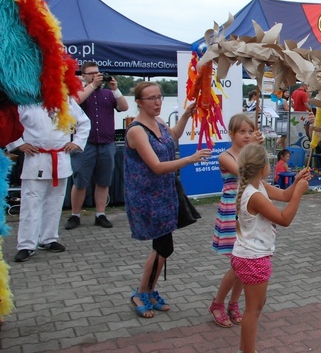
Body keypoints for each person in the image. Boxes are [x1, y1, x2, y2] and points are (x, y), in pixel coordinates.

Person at [124, 82, 212, 318]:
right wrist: (191, 159)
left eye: (159, 97)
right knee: (164, 246)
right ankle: (141, 292)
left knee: (163, 247)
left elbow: (171, 137)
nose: (157, 102)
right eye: (151, 98)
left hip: (165, 193)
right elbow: (157, 166)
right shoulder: (136, 130)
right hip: (146, 196)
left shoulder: (160, 122)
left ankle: (149, 291)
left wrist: (184, 115)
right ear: (139, 102)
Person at [231, 144, 310, 353]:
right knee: (253, 310)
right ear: (263, 167)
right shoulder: (254, 195)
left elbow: (284, 195)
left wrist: (296, 182)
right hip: (252, 258)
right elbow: (284, 219)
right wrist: (300, 193)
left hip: (251, 256)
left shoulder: (259, 187)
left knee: (257, 304)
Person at [9, 101, 90, 263]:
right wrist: (18, 144)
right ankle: (26, 245)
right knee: (31, 203)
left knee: (55, 201)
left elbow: (84, 122)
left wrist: (77, 142)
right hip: (36, 157)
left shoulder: (65, 99)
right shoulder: (26, 101)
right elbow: (8, 122)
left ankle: (48, 238)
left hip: (60, 158)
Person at [209, 113, 263, 328]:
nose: (247, 136)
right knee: (237, 264)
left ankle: (233, 304)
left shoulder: (249, 153)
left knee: (246, 261)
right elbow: (244, 172)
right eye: (242, 132)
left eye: (250, 132)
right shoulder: (225, 156)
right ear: (231, 134)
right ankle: (218, 303)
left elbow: (261, 176)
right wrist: (255, 151)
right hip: (232, 211)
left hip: (248, 211)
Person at [67, 62, 128, 230]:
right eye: (91, 73)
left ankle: (100, 214)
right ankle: (75, 215)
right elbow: (76, 101)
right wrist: (92, 85)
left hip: (106, 143)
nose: (96, 75)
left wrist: (115, 89)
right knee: (80, 181)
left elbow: (124, 107)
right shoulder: (79, 93)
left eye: (98, 72)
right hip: (84, 144)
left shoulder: (108, 94)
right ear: (84, 76)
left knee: (104, 181)